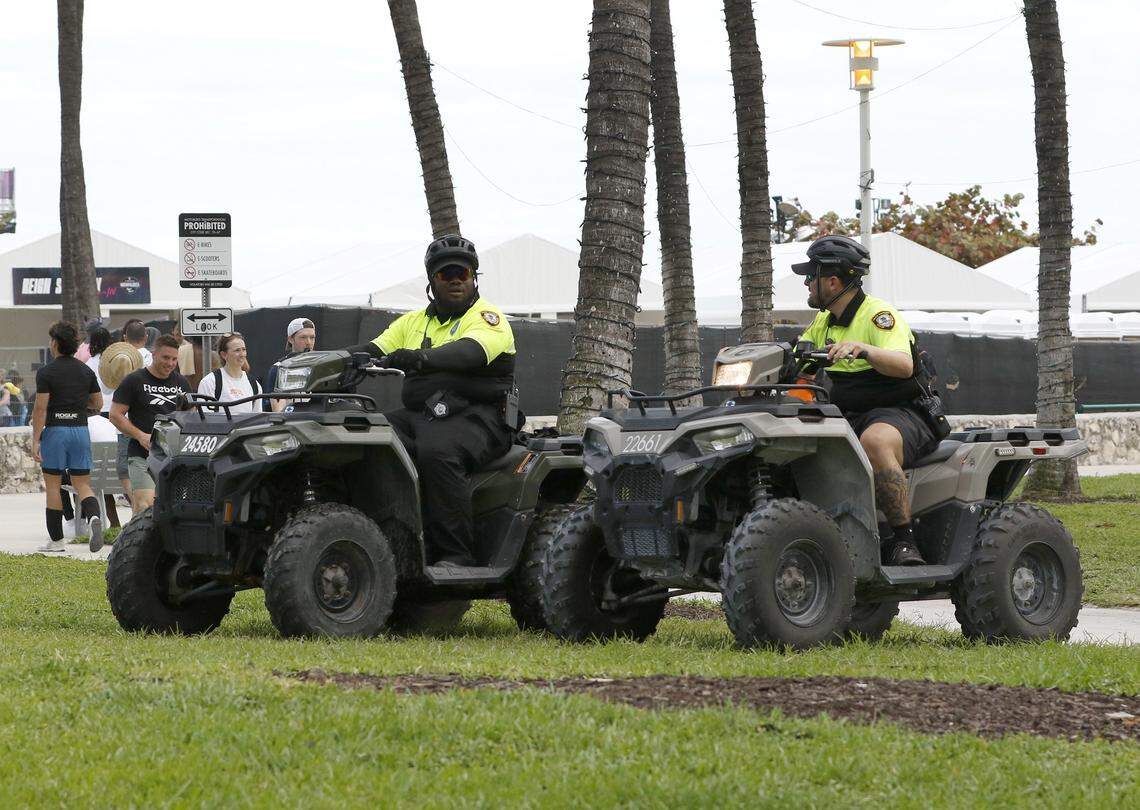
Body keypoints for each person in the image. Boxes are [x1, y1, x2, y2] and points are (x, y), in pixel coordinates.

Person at [348, 235, 517, 570]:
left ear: (473, 279)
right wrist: (331, 360)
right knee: (369, 434)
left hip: (482, 417)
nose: (455, 279)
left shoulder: (487, 317)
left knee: (438, 452)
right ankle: (391, 545)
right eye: (445, 274)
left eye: (463, 273)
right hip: (426, 415)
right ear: (431, 282)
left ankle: (456, 555)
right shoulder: (412, 322)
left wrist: (420, 358)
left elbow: (470, 351)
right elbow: (372, 350)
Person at [792, 235, 938, 566]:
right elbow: (797, 359)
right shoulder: (823, 321)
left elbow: (905, 366)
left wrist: (866, 349)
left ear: (831, 281)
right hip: (850, 412)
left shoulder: (879, 315)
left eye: (809, 275)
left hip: (903, 412)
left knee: (874, 441)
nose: (805, 283)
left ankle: (904, 541)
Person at [30, 321, 104, 553]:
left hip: (55, 432)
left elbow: (40, 408)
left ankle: (56, 541)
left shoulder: (46, 372)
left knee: (53, 485)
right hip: (80, 431)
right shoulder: (86, 370)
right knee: (82, 483)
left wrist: (35, 439)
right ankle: (93, 518)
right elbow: (98, 403)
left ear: (55, 343)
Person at [109, 335, 191, 513]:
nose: (170, 363)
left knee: (169, 510)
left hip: (173, 458)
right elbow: (115, 415)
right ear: (154, 354)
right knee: (146, 506)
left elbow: (190, 417)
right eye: (165, 358)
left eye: (174, 359)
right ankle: (137, 538)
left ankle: (141, 538)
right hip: (142, 455)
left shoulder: (182, 383)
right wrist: (140, 436)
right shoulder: (135, 380)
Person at [83, 326, 123, 528]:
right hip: (118, 415)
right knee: (120, 470)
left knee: (101, 472)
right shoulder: (116, 361)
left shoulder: (89, 364)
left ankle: (114, 523)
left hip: (97, 415)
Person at [99, 341, 144, 510]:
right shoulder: (139, 387)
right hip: (137, 438)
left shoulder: (113, 395)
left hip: (126, 438)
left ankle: (135, 511)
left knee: (124, 471)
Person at [197, 332, 262, 413]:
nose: (242, 354)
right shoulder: (209, 382)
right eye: (237, 350)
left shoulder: (254, 385)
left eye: (244, 349)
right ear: (224, 355)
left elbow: (258, 420)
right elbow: (205, 418)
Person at [266, 317, 316, 411]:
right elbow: (278, 411)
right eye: (303, 337)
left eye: (312, 337)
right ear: (291, 339)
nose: (309, 342)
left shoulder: (320, 366)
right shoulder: (279, 368)